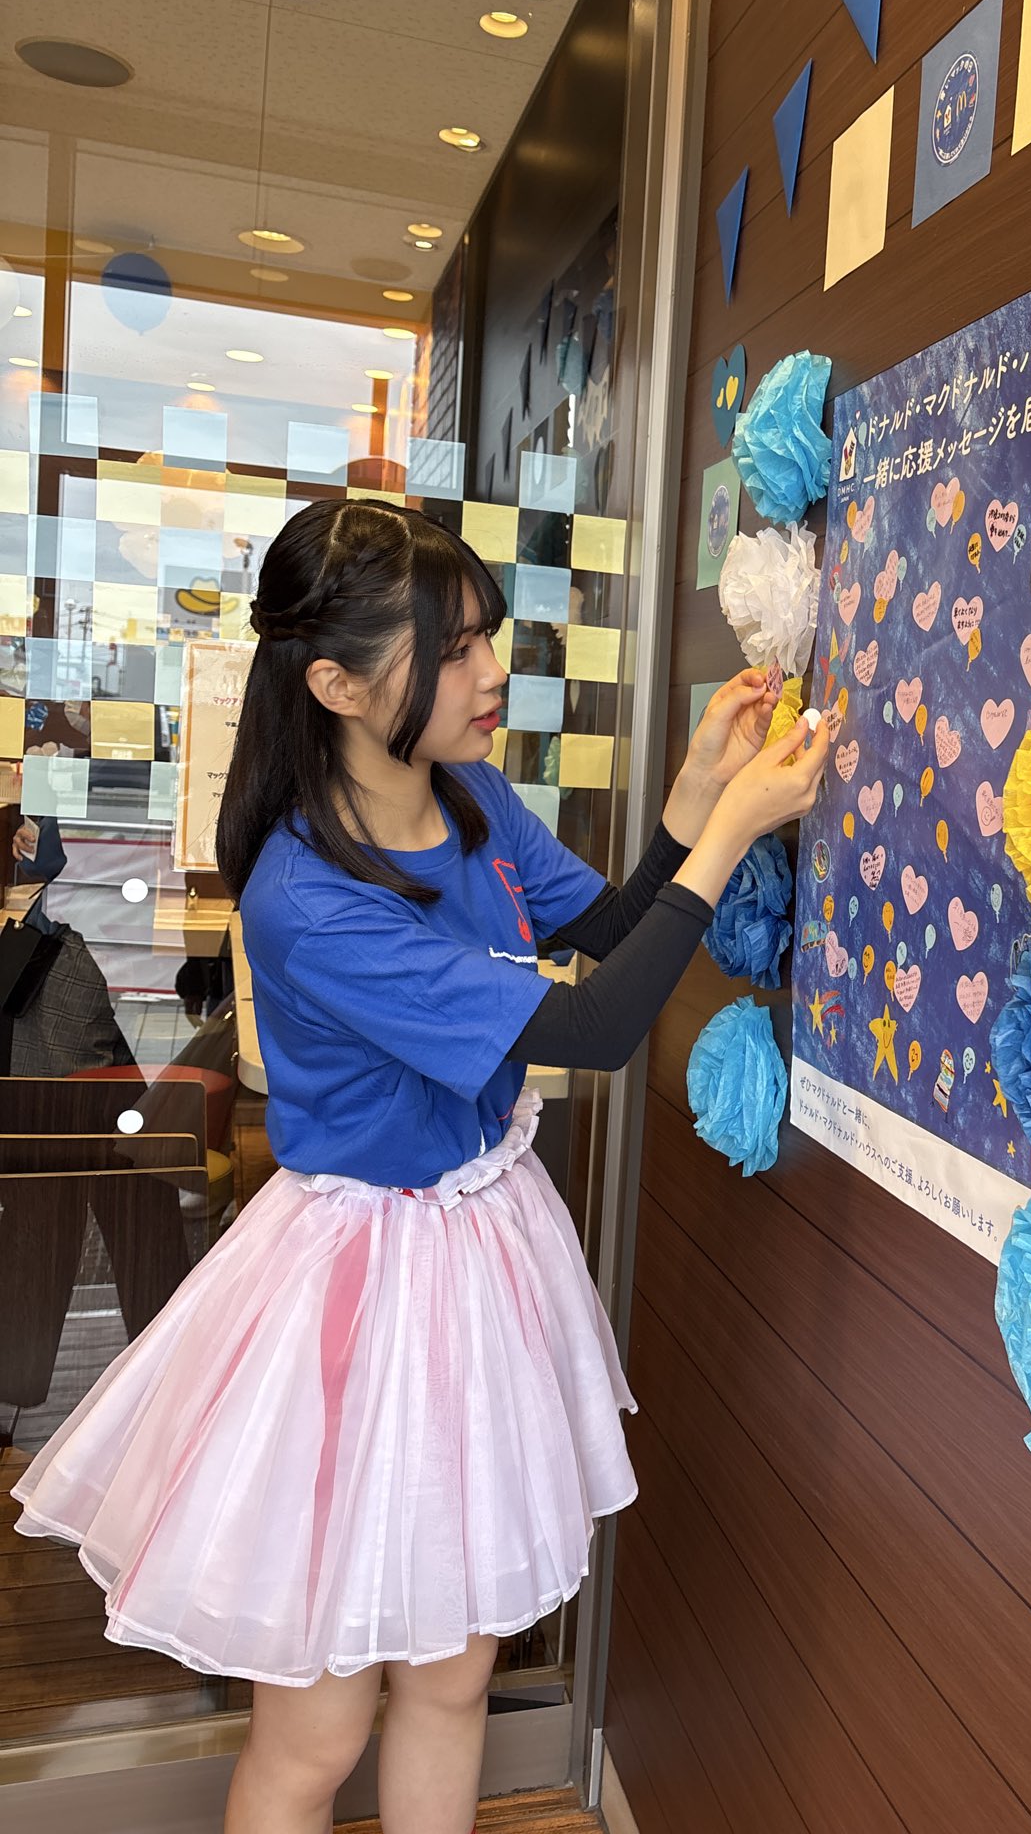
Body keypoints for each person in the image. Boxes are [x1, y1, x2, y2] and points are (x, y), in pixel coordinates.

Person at [10, 498, 828, 1834]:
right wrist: (736, 830)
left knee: (453, 1685)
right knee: (319, 1728)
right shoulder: (306, 896)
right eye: (451, 652)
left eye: (486, 638)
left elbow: (606, 932)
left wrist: (693, 800)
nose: (492, 672)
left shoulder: (472, 798)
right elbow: (595, 1030)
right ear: (336, 685)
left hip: (478, 1252)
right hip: (350, 1296)